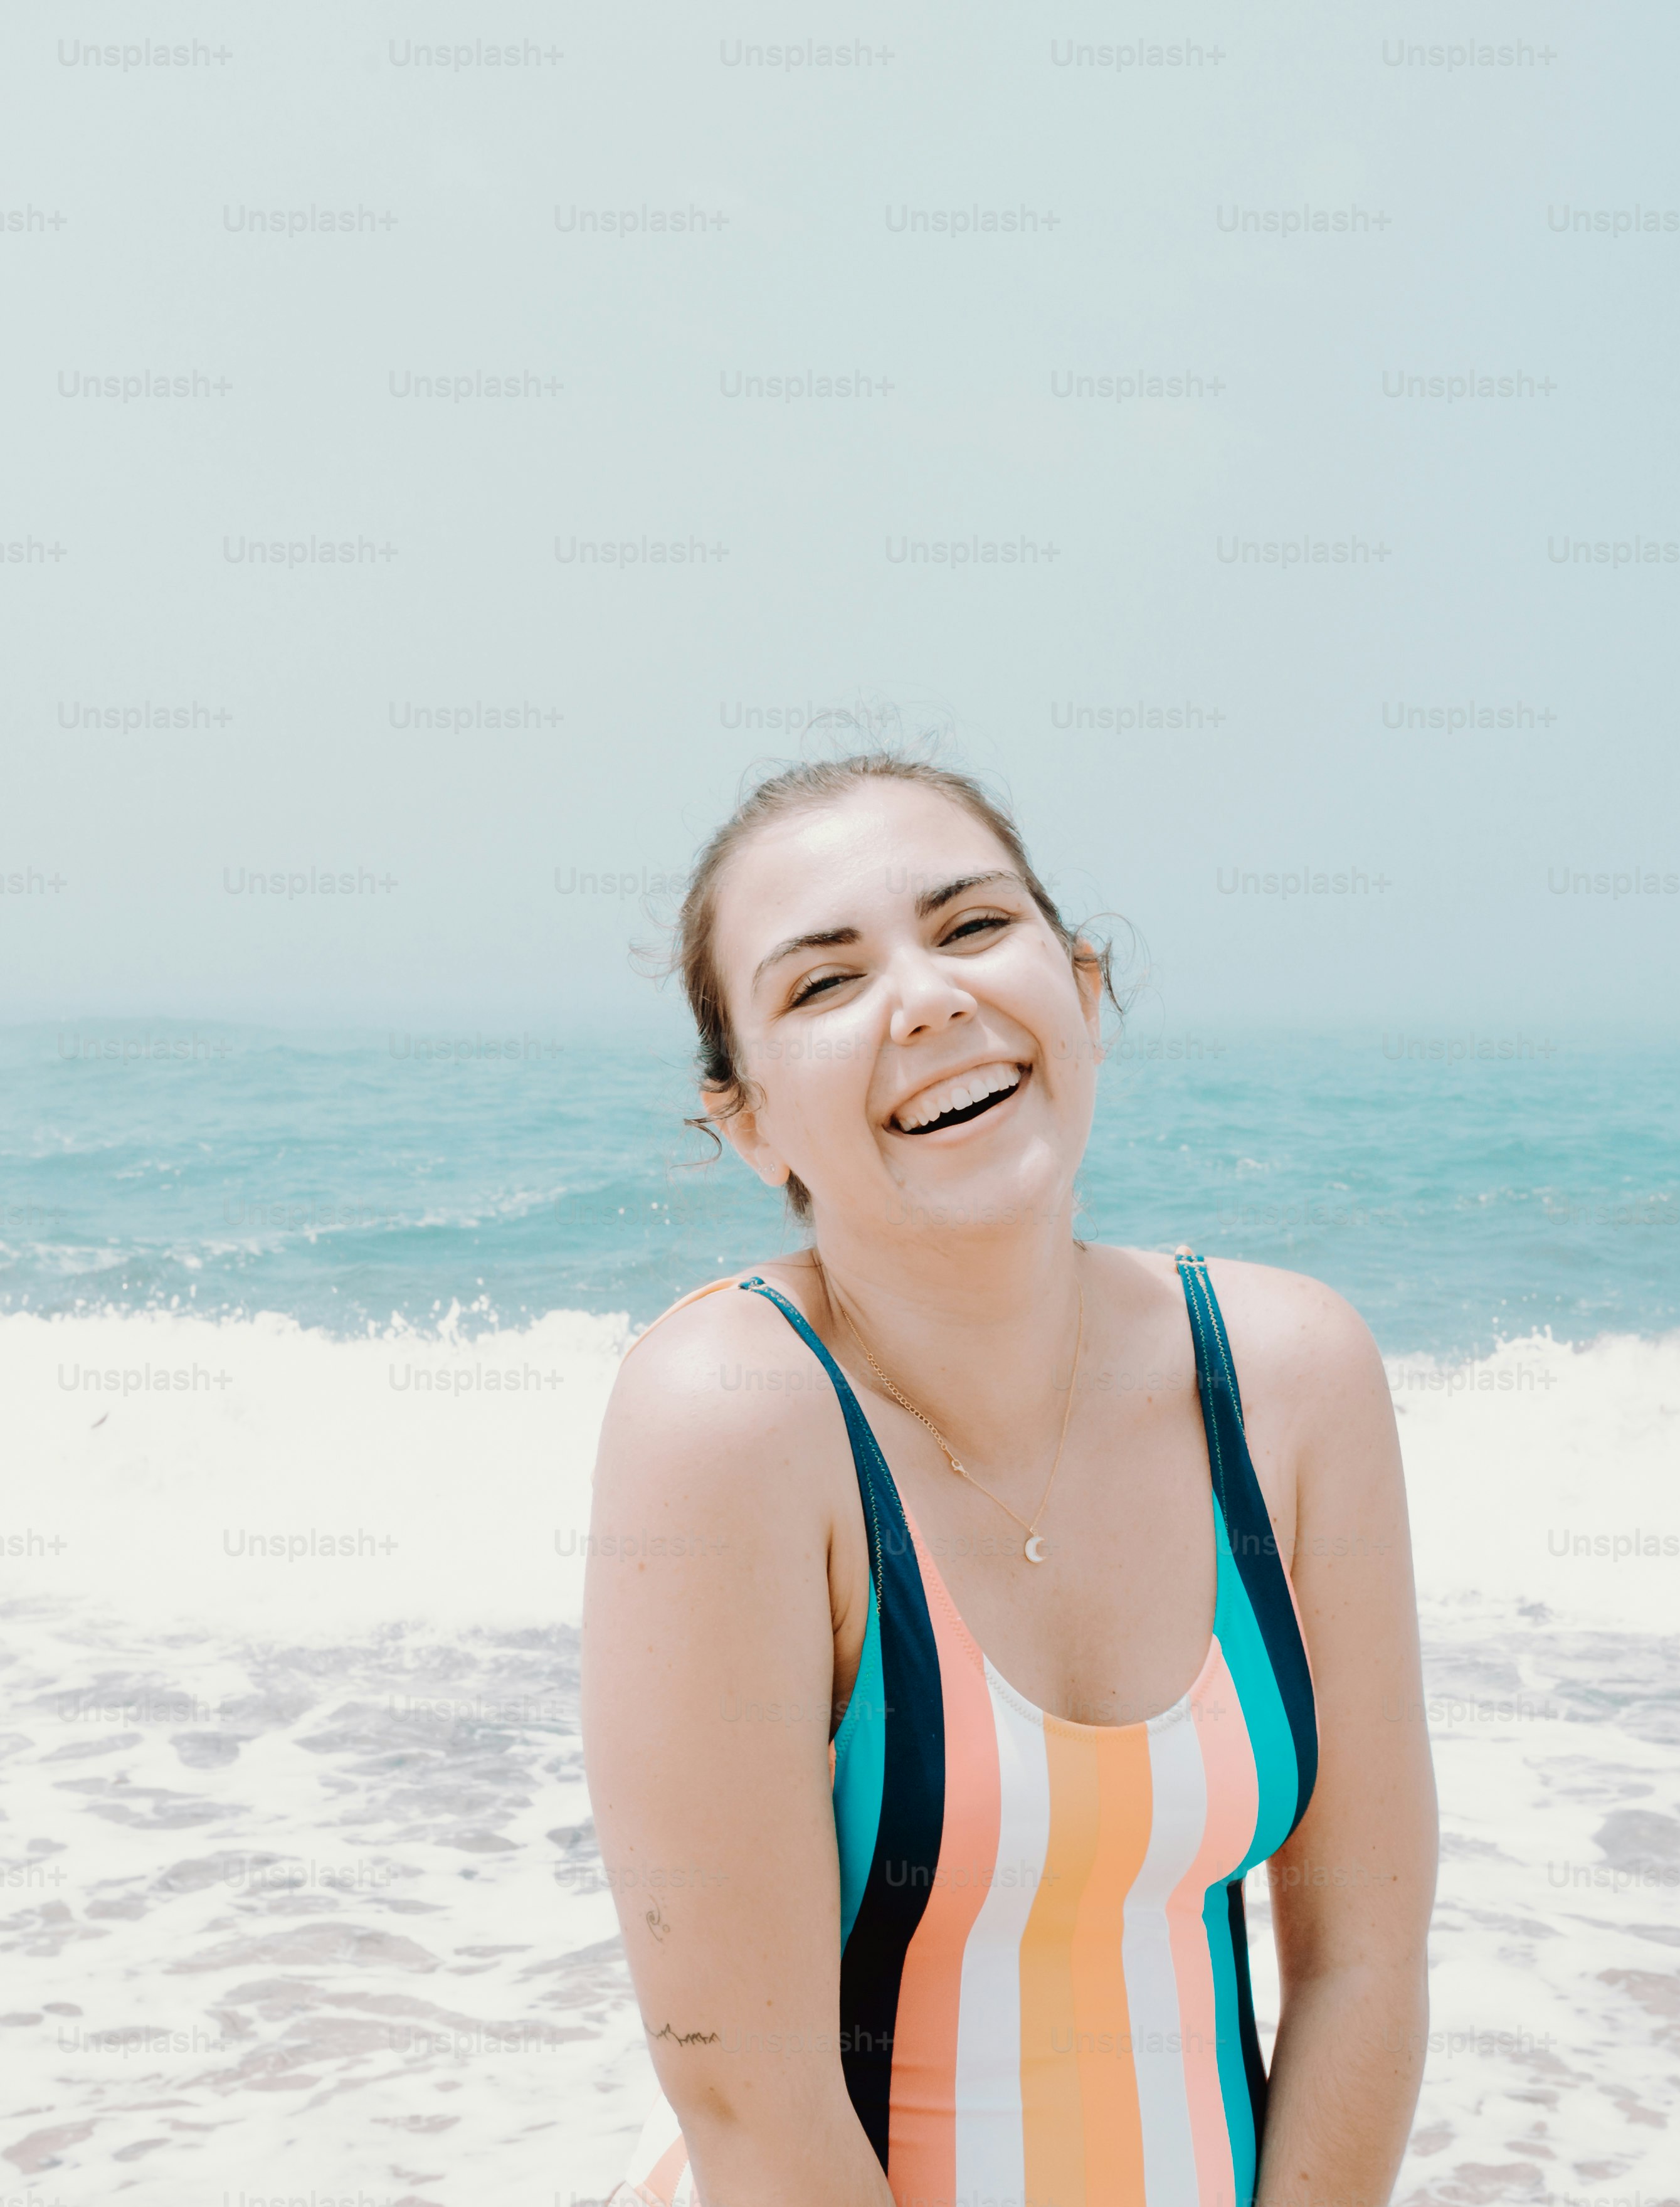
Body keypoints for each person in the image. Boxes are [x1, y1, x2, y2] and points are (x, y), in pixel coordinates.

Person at [582, 753, 1435, 2206]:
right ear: (747, 1124)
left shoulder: (1290, 1379)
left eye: (972, 926)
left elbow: (1364, 1957)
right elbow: (750, 2097)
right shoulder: (734, 1418)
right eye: (820, 985)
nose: (926, 998)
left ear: (1082, 984)